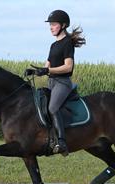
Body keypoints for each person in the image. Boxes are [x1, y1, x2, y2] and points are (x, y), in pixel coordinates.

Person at [25, 10, 86, 156]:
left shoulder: (67, 43)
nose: (51, 27)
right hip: (52, 82)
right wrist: (35, 72)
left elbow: (68, 66)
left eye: (54, 24)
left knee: (52, 108)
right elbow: (47, 67)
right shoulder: (53, 45)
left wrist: (48, 70)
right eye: (50, 25)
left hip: (63, 83)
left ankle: (62, 141)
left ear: (63, 25)